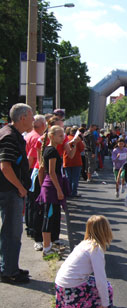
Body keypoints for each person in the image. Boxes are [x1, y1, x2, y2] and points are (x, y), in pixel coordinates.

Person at [0, 103, 33, 284]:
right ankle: (9, 271)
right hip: (9, 191)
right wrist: (20, 187)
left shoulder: (11, 134)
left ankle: (9, 266)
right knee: (11, 233)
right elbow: (5, 166)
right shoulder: (10, 137)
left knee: (11, 232)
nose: (33, 119)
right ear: (23, 118)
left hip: (10, 190)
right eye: (31, 116)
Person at [55, 215, 113, 308]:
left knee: (95, 284)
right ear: (105, 230)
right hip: (72, 287)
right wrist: (105, 304)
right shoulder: (95, 249)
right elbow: (100, 279)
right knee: (107, 288)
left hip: (60, 283)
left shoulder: (84, 243)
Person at [36, 125, 68, 257]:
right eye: (60, 135)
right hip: (51, 189)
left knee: (53, 216)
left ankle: (50, 244)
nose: (63, 137)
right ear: (52, 136)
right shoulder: (52, 151)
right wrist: (59, 190)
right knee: (48, 217)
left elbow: (41, 170)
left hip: (49, 187)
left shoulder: (50, 150)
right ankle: (46, 247)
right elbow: (51, 172)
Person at [64, 127, 85, 198]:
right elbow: (82, 148)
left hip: (66, 160)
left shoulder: (66, 138)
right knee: (75, 178)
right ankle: (74, 192)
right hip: (76, 161)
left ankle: (68, 191)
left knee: (68, 177)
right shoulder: (77, 140)